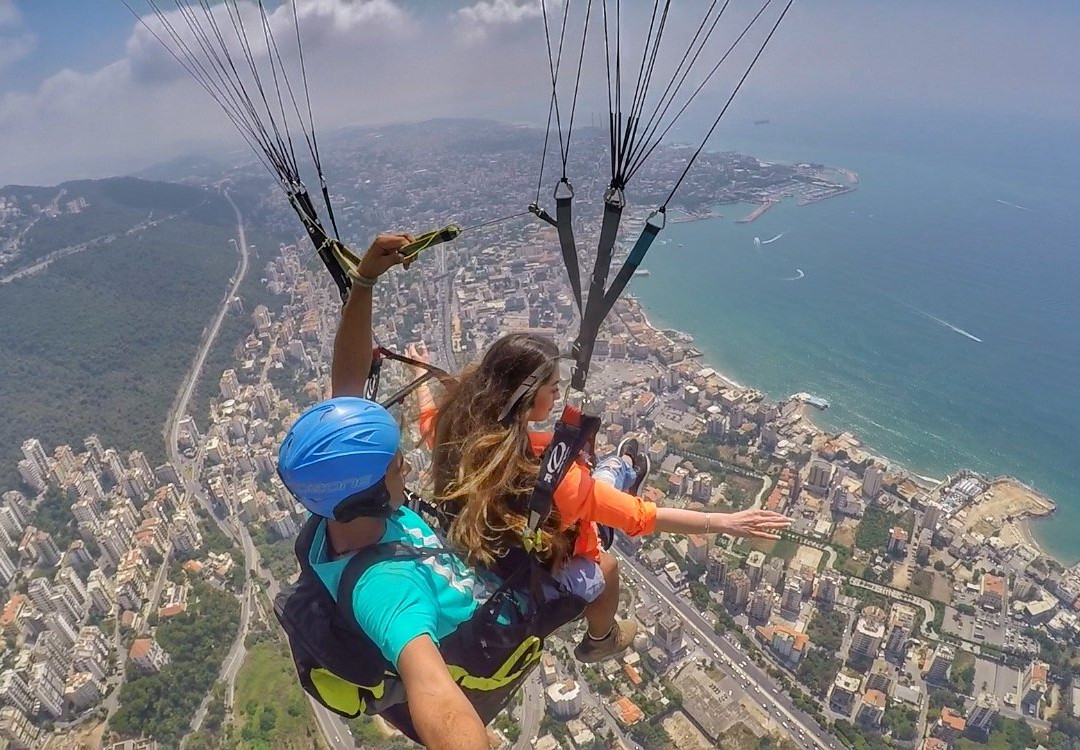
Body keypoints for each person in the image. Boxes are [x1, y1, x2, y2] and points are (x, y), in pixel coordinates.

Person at [427, 332, 792, 663]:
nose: (558, 394)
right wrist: (725, 522)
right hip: (538, 558)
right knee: (606, 560)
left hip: (497, 547)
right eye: (553, 387)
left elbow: (430, 420)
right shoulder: (555, 482)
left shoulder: (459, 435)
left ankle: (626, 466)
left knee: (602, 473)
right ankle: (602, 640)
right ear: (525, 394)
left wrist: (428, 396)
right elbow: (644, 517)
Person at [279, 233, 493, 750]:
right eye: (398, 464)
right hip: (477, 654)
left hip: (425, 569)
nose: (409, 465)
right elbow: (434, 690)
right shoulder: (386, 591)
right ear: (370, 492)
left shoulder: (338, 506)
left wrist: (365, 281)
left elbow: (345, 390)